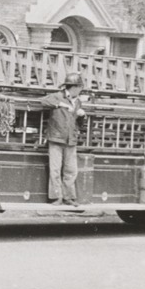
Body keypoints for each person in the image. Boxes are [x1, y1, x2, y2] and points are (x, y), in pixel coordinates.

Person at [41, 72, 86, 206]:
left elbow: (78, 124)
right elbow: (43, 101)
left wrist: (82, 116)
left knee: (71, 170)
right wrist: (61, 104)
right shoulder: (57, 96)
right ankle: (56, 197)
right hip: (56, 138)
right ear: (74, 87)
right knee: (55, 169)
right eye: (80, 87)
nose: (81, 90)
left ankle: (68, 198)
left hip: (70, 139)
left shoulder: (78, 101)